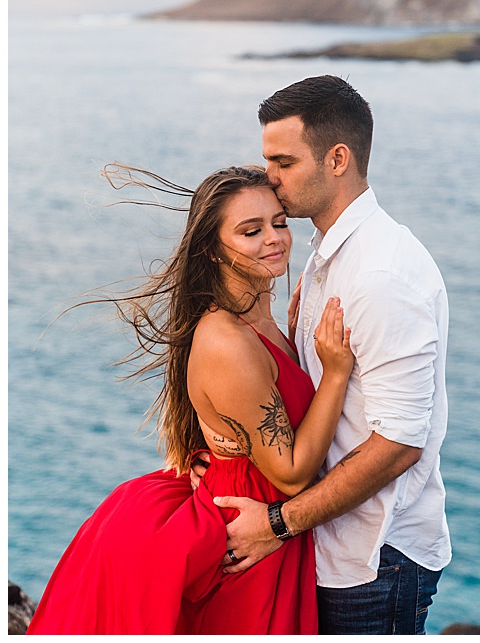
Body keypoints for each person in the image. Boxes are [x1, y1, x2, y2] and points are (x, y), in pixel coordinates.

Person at [28, 166, 356, 634]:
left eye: (279, 223)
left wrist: (293, 334)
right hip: (246, 539)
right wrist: (335, 374)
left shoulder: (260, 321)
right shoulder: (228, 341)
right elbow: (292, 474)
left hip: (257, 523)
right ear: (211, 249)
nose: (274, 239)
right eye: (251, 230)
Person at [214, 75, 452, 634]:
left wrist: (276, 523)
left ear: (337, 158)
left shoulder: (379, 276)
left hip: (373, 562)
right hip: (326, 548)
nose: (269, 179)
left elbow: (399, 446)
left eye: (283, 162)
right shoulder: (326, 251)